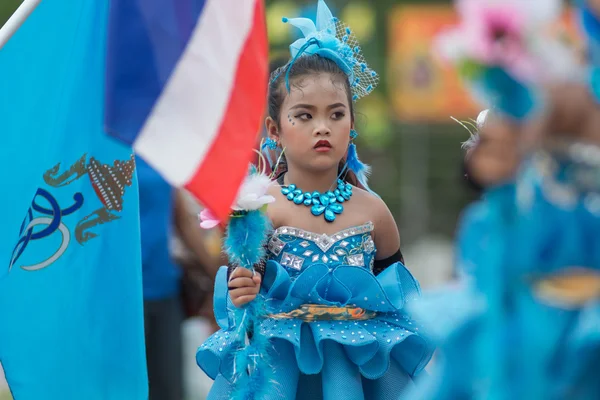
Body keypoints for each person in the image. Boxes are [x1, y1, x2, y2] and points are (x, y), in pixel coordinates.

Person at [196, 1, 434, 399]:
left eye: (336, 115)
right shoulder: (258, 208)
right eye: (304, 115)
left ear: (352, 125)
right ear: (275, 129)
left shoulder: (374, 211)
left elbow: (398, 296)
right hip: (281, 372)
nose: (322, 127)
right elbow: (243, 300)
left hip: (360, 372)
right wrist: (241, 290)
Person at [137, 156, 219, 400]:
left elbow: (182, 219)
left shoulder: (158, 151)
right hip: (120, 295)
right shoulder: (103, 145)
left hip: (164, 288)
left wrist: (218, 274)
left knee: (169, 388)